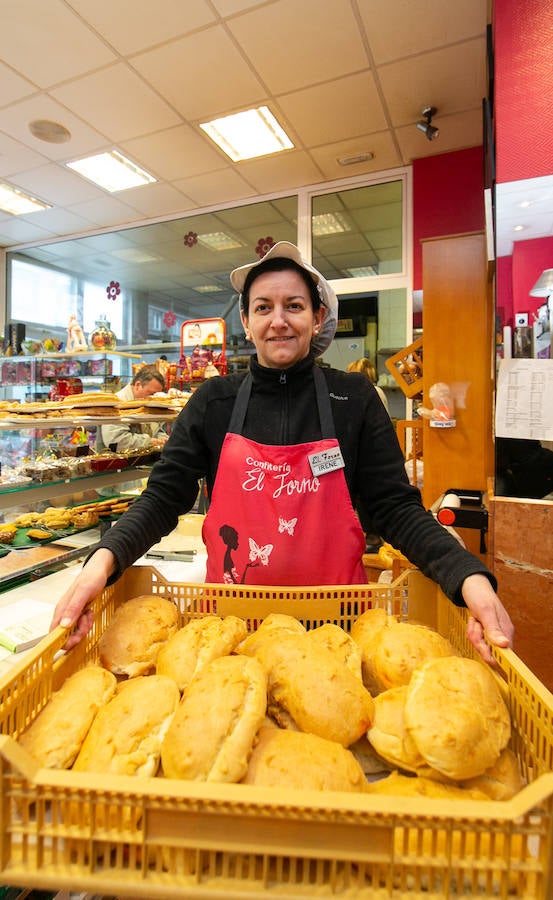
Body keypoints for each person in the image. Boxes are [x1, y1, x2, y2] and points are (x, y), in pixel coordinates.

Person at [52, 241, 513, 667]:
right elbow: (162, 498)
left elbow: (395, 508)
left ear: (317, 317)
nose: (279, 320)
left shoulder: (353, 398)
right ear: (247, 321)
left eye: (294, 306)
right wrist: (102, 562)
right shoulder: (214, 401)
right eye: (263, 307)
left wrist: (466, 576)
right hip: (230, 633)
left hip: (339, 633)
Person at [96, 365, 169, 453]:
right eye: (151, 394)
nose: (154, 398)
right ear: (138, 385)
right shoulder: (117, 404)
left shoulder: (145, 402)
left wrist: (163, 439)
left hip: (141, 458)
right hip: (115, 460)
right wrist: (150, 442)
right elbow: (116, 440)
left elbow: (156, 430)